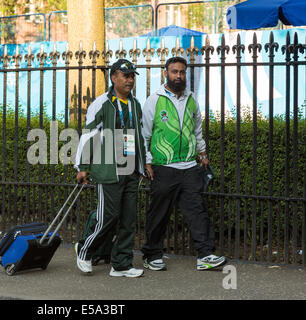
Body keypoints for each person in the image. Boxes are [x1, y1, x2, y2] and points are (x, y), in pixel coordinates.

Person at [141, 56, 226, 271]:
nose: (178, 76)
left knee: (197, 211)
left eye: (182, 72)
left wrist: (202, 153)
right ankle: (152, 255)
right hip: (163, 166)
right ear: (166, 73)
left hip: (189, 166)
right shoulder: (155, 100)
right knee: (159, 213)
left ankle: (205, 255)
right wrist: (147, 162)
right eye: (174, 72)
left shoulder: (191, 99)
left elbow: (196, 130)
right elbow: (144, 135)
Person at [74, 59, 146, 278]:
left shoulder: (135, 104)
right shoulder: (102, 103)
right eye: (126, 76)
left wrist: (143, 165)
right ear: (113, 77)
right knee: (108, 217)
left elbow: (140, 136)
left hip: (131, 170)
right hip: (109, 170)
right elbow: (88, 135)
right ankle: (85, 251)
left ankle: (121, 264)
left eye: (132, 76)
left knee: (127, 219)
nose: (130, 80)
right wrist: (83, 166)